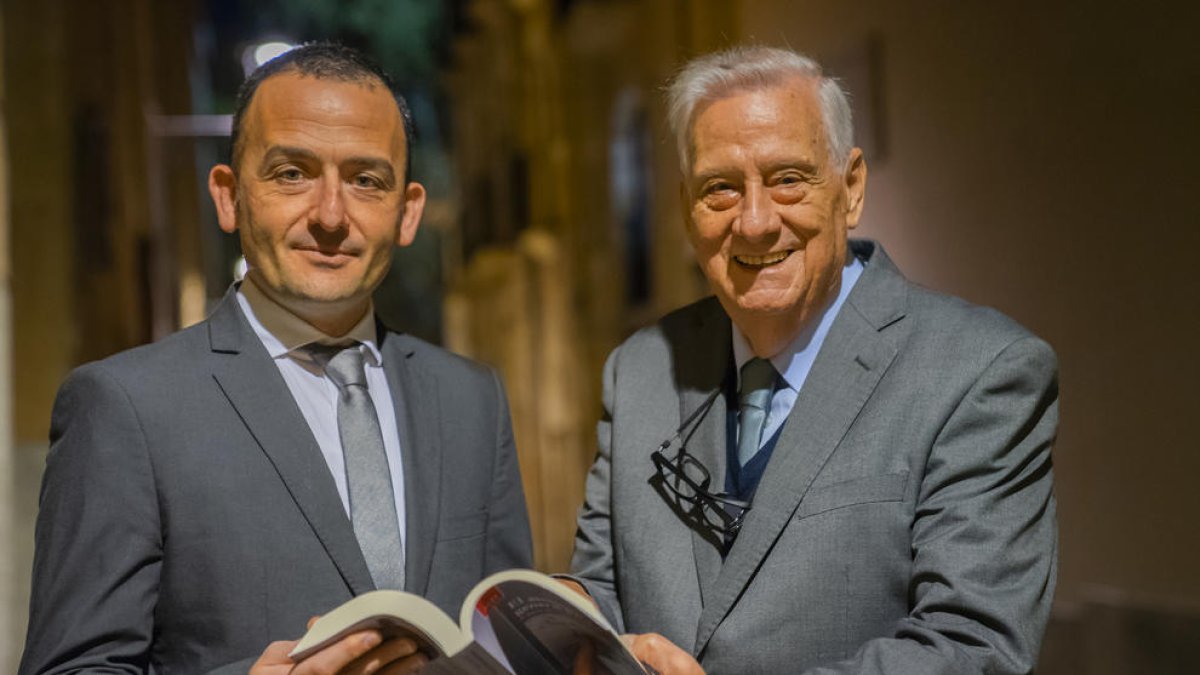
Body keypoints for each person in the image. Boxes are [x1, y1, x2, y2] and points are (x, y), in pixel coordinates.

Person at [20, 43, 532, 675]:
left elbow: (513, 642)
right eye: (292, 173)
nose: (330, 215)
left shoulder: (471, 400)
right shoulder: (126, 408)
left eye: (367, 181)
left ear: (408, 211)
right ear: (229, 196)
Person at [569, 46, 1058, 674]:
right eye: (720, 188)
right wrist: (568, 619)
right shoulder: (638, 371)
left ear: (850, 189)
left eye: (787, 179)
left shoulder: (980, 373)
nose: (753, 221)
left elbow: (972, 648)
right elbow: (600, 586)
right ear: (686, 210)